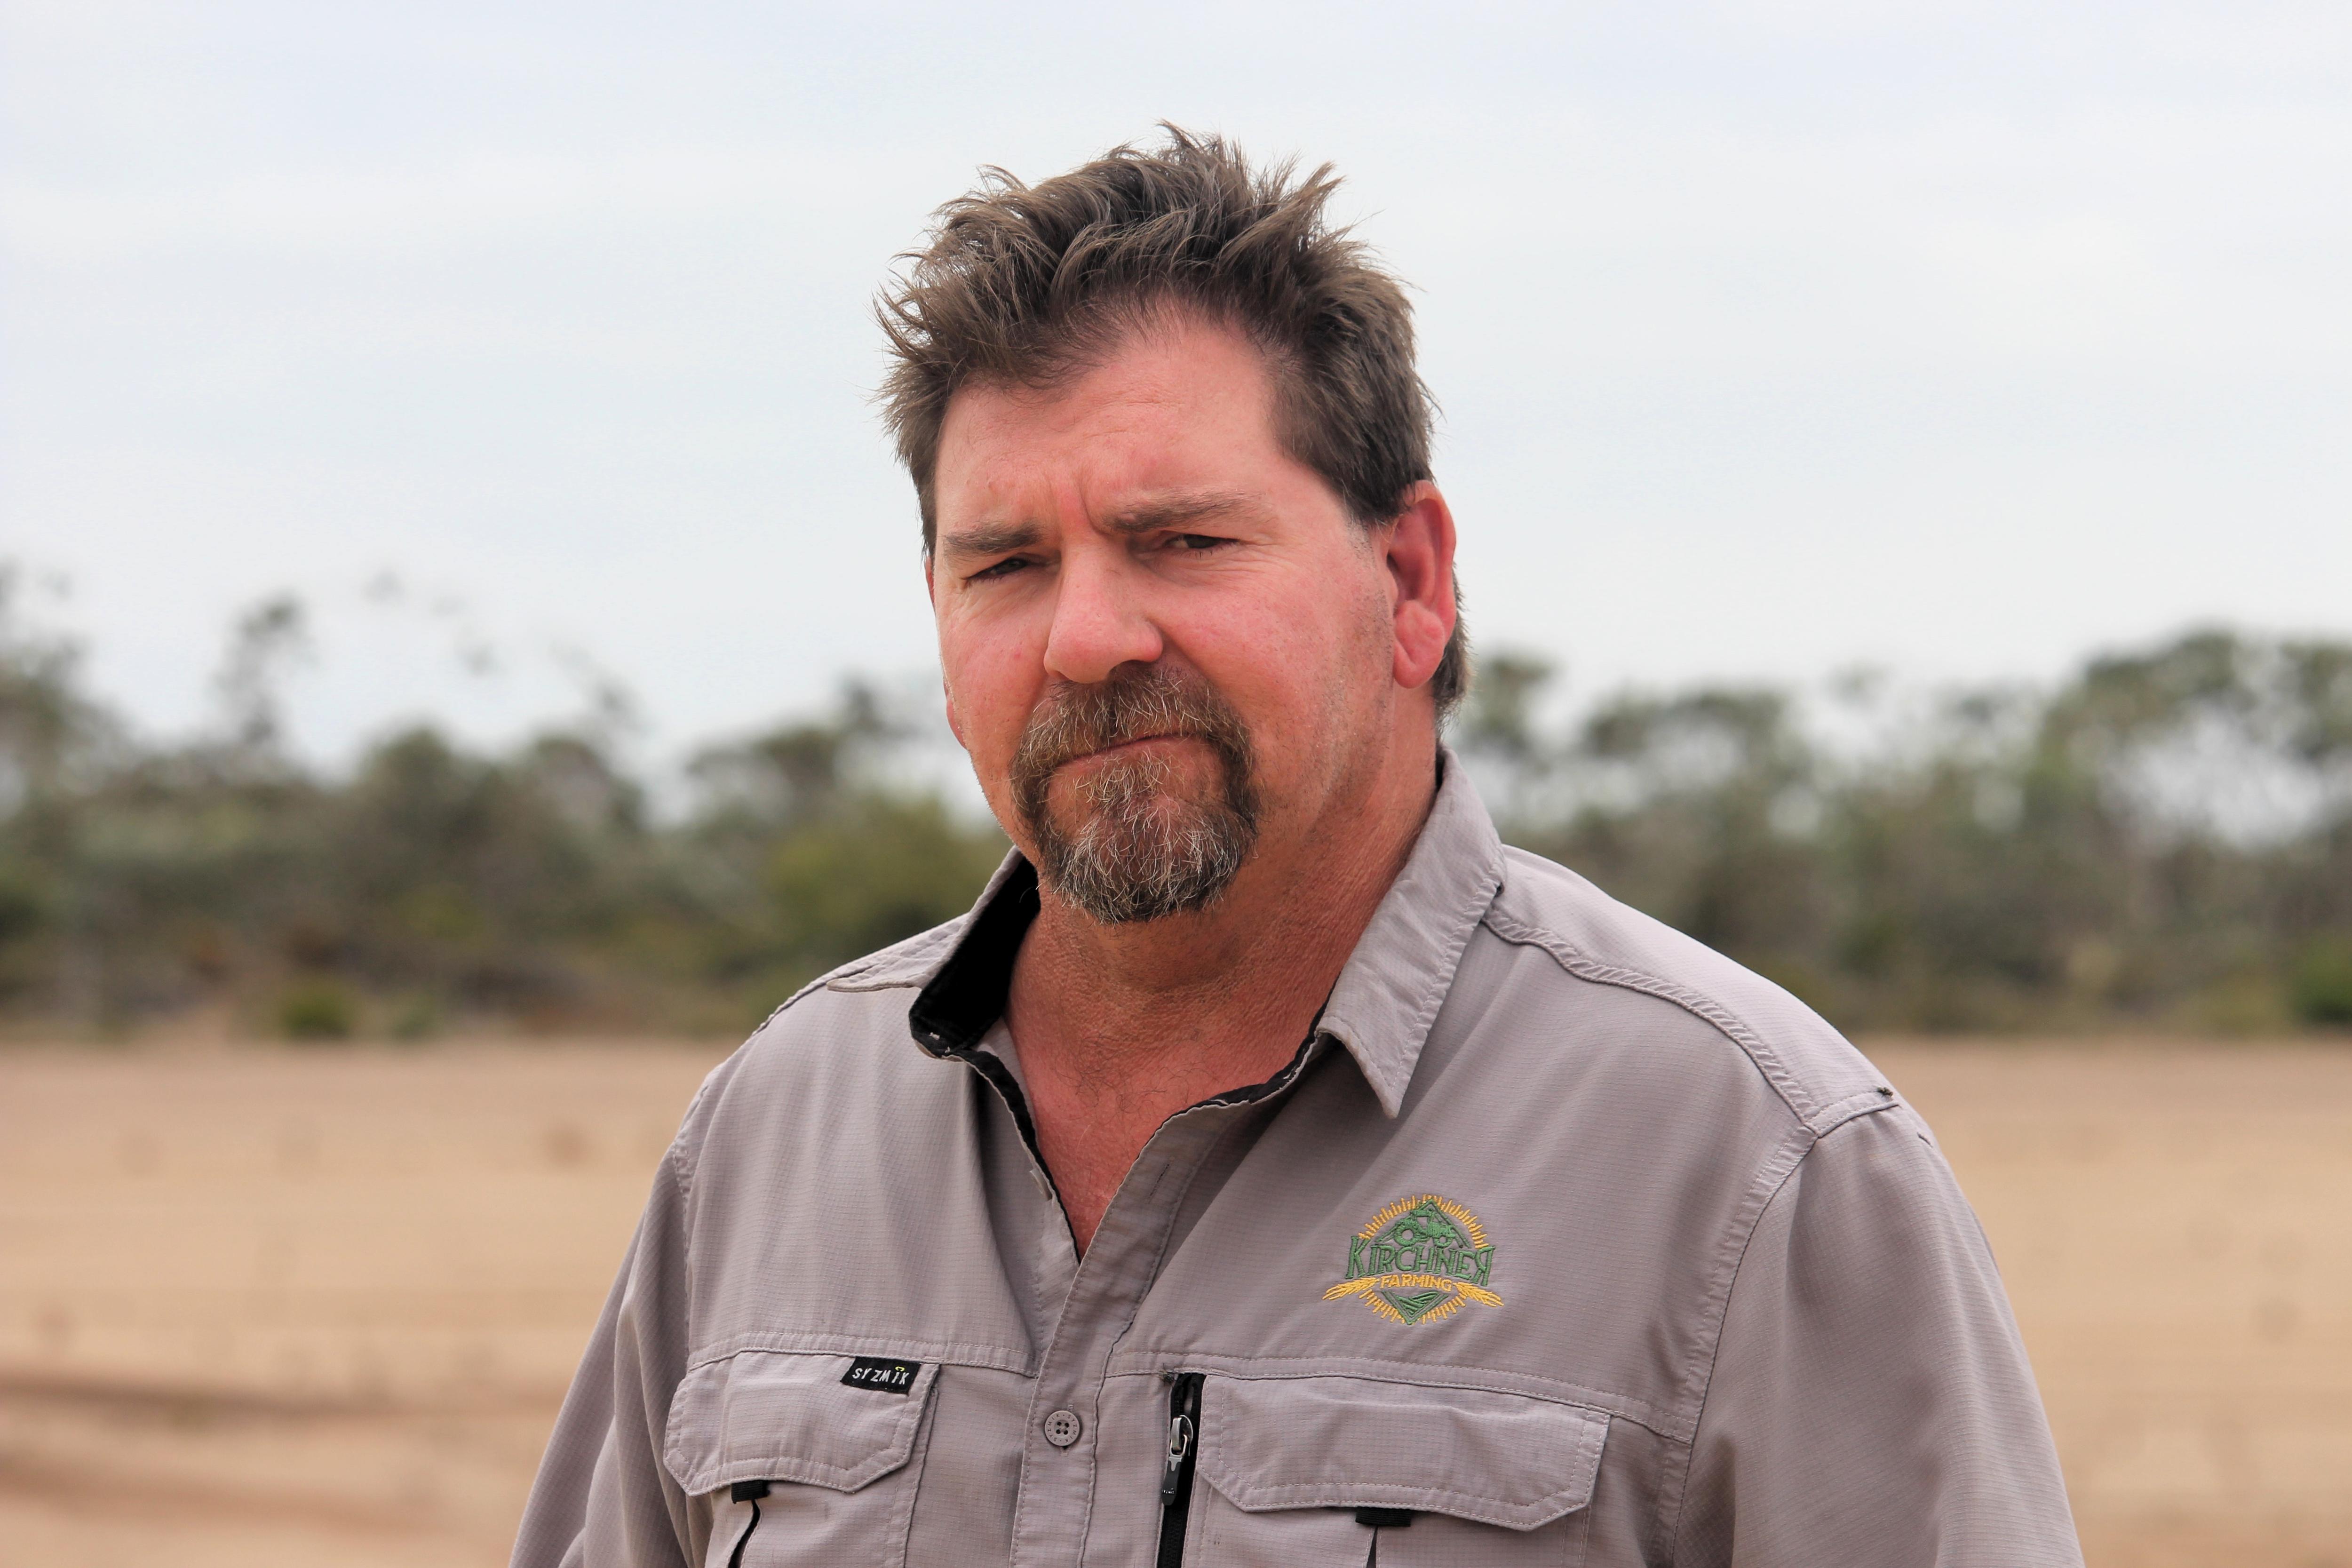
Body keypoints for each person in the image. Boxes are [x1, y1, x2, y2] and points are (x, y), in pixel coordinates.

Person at [512, 127, 2082, 1568]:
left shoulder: (1753, 1165)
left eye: (1181, 542)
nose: (1086, 639)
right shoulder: (771, 1136)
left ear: (1411, 579)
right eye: (1004, 564)